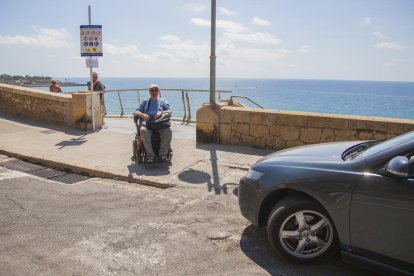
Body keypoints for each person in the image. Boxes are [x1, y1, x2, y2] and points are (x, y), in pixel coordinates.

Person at [134, 84, 172, 163]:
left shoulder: (163, 101)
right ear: (149, 92)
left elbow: (169, 111)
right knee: (143, 130)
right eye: (152, 90)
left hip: (159, 123)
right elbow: (136, 111)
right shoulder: (145, 102)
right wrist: (143, 115)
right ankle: (150, 155)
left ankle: (163, 154)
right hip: (148, 122)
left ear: (158, 91)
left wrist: (161, 112)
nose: (154, 92)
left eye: (156, 90)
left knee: (168, 131)